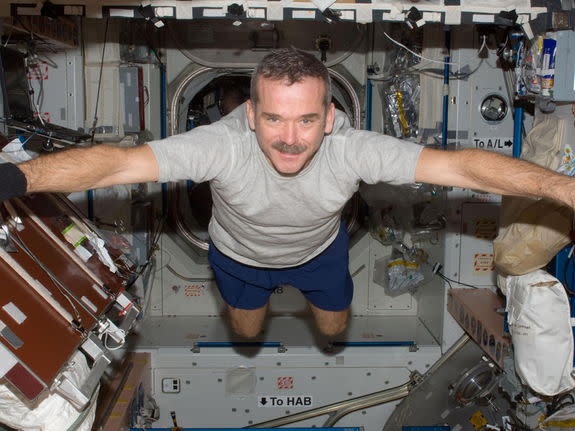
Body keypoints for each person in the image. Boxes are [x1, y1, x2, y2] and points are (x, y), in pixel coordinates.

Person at [1, 47, 574, 338]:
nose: (290, 139)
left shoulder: (353, 148)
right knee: (248, 334)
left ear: (330, 116)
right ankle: (252, 311)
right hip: (237, 257)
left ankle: (319, 312)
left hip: (320, 254)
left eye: (305, 121)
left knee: (333, 330)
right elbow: (117, 165)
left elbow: (463, 168)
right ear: (250, 114)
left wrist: (563, 188)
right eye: (274, 119)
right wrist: (16, 179)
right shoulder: (220, 144)